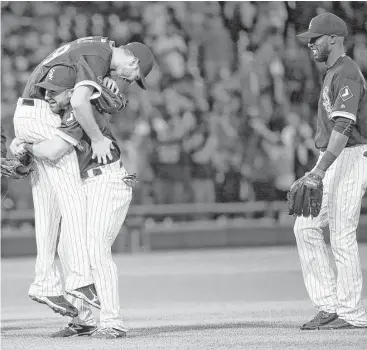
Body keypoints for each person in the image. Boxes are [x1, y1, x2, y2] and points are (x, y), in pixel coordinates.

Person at [11, 36, 154, 319]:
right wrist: (96, 136)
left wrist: (24, 145)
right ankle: (71, 292)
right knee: (62, 214)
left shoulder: (81, 112)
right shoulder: (81, 100)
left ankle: (105, 317)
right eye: (133, 76)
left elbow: (54, 147)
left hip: (108, 181)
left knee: (84, 237)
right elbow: (77, 98)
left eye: (56, 91)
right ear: (133, 61)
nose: (126, 81)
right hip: (88, 174)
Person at [293, 12, 367, 330]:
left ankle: (352, 313)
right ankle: (330, 306)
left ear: (334, 38)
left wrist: (319, 170)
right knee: (305, 228)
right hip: (333, 156)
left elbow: (344, 126)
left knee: (340, 234)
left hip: (349, 156)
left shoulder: (346, 71)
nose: (310, 44)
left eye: (316, 38)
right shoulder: (332, 71)